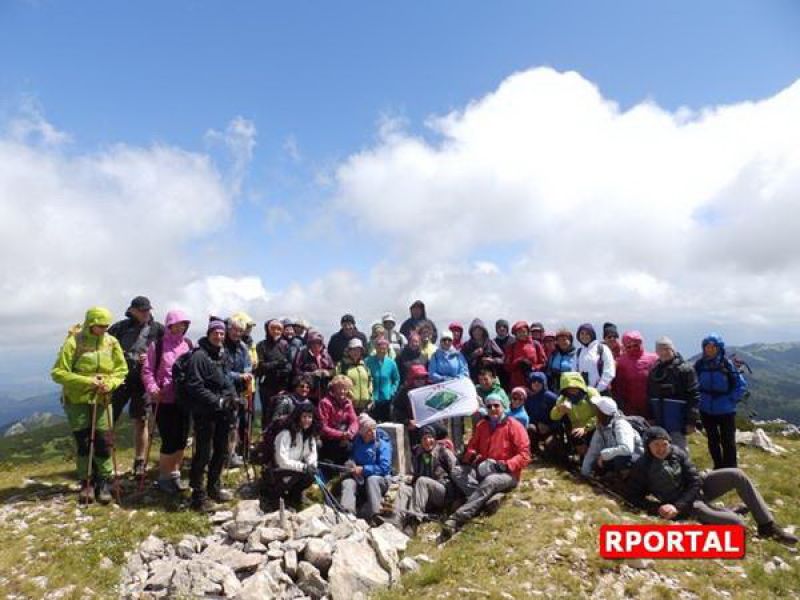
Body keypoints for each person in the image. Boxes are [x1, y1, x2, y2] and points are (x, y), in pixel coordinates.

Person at [627, 427, 797, 545]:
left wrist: (680, 502)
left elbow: (695, 479)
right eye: (656, 445)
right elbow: (633, 497)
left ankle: (767, 526)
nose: (661, 448)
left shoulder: (676, 453)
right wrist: (660, 508)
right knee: (736, 525)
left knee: (737, 475)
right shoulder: (642, 466)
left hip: (697, 491)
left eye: (665, 444)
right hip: (688, 506)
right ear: (647, 446)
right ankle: (730, 512)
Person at [51, 307, 129, 504]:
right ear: (90, 323)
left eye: (106, 326)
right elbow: (58, 373)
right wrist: (88, 382)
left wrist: (110, 384)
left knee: (104, 441)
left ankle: (103, 482)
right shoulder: (73, 342)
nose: (103, 329)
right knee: (84, 441)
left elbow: (121, 370)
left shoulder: (111, 342)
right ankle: (86, 482)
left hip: (102, 399)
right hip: (77, 400)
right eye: (99, 326)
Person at [439, 395, 531, 542]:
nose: (493, 409)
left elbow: (525, 455)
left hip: (508, 473)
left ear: (503, 406)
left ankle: (456, 519)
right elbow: (472, 446)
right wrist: (468, 456)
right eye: (489, 406)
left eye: (496, 405)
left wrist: (506, 465)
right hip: (483, 467)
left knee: (491, 480)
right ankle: (484, 501)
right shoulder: (482, 425)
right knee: (457, 471)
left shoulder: (514, 425)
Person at [184, 318, 239, 512]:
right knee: (203, 453)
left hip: (222, 412)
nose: (219, 336)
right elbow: (194, 385)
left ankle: (214, 487)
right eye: (215, 333)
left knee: (222, 450)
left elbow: (227, 379)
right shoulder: (199, 356)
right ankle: (198, 496)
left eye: (222, 333)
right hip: (205, 411)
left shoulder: (222, 355)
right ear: (209, 334)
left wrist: (232, 398)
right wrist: (217, 401)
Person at [108, 295, 165, 476]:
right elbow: (104, 348)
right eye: (142, 310)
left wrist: (151, 358)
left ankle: (139, 461)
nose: (146, 313)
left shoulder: (158, 330)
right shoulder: (119, 328)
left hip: (142, 382)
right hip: (120, 380)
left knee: (141, 420)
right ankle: (104, 460)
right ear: (132, 311)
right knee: (109, 420)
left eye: (148, 310)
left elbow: (166, 352)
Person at [140, 309, 193, 494]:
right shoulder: (158, 346)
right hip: (164, 399)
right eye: (176, 324)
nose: (180, 328)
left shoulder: (187, 345)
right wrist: (153, 390)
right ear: (169, 325)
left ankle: (175, 475)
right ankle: (164, 478)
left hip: (184, 398)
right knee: (169, 440)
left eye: (183, 324)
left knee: (182, 439)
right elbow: (147, 371)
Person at [386, 425, 462, 535]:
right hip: (424, 495)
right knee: (403, 489)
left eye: (430, 437)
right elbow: (416, 475)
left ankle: (414, 522)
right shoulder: (418, 454)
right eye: (424, 438)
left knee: (422, 481)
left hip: (444, 493)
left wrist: (458, 499)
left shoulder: (443, 452)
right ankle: (396, 520)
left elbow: (457, 472)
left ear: (434, 439)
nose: (427, 441)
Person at [694, 333, 747, 469]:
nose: (709, 349)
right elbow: (693, 384)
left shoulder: (727, 364)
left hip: (726, 410)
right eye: (707, 347)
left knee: (728, 440)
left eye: (713, 347)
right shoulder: (699, 365)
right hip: (706, 409)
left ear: (719, 348)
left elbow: (740, 385)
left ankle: (731, 468)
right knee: (712, 440)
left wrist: (731, 399)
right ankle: (718, 466)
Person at [647, 336, 700, 452]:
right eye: (661, 349)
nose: (664, 352)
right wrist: (650, 417)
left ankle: (684, 469)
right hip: (659, 419)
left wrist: (691, 421)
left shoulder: (685, 369)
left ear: (673, 349)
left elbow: (694, 395)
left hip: (678, 420)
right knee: (661, 450)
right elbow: (650, 395)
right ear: (656, 352)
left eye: (667, 348)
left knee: (679, 450)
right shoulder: (654, 370)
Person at [262, 401, 318, 510]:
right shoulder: (285, 434)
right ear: (298, 417)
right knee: (300, 474)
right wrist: (303, 467)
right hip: (278, 470)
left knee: (311, 475)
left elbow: (311, 454)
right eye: (304, 417)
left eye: (310, 417)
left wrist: (311, 465)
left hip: (294, 469)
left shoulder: (308, 435)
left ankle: (294, 497)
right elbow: (281, 461)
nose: (307, 420)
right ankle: (275, 498)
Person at [340, 413, 393, 523]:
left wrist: (364, 469)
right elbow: (353, 457)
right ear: (362, 432)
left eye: (374, 428)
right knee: (348, 482)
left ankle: (376, 515)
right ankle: (347, 514)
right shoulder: (358, 441)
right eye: (369, 430)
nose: (372, 432)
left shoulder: (382, 443)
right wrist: (351, 464)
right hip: (360, 478)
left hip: (381, 480)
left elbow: (384, 468)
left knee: (372, 479)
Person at [428, 329, 470, 451]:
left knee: (457, 421)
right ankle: (443, 449)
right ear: (440, 341)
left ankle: (458, 448)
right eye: (444, 340)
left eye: (449, 340)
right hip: (441, 392)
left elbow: (465, 371)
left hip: (456, 391)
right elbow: (432, 373)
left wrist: (455, 379)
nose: (446, 342)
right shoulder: (435, 355)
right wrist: (445, 379)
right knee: (443, 421)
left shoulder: (458, 355)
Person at [580, 396, 642, 478]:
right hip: (615, 458)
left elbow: (627, 449)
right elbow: (592, 451)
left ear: (604, 413)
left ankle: (627, 481)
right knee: (596, 464)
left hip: (636, 460)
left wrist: (604, 454)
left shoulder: (621, 425)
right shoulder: (601, 427)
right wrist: (584, 473)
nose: (596, 414)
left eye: (598, 411)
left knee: (620, 459)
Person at [223, 315, 254, 468]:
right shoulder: (221, 346)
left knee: (235, 424)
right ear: (228, 329)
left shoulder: (242, 346)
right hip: (222, 390)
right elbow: (221, 371)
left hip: (239, 390)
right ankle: (221, 454)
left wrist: (247, 373)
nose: (237, 333)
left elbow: (248, 364)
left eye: (240, 330)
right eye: (234, 329)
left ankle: (231, 454)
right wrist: (240, 375)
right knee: (225, 424)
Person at [550, 372, 599, 458]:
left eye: (574, 387)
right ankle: (584, 457)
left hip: (594, 427)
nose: (571, 390)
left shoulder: (591, 393)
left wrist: (586, 428)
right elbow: (553, 417)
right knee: (576, 436)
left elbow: (601, 414)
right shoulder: (563, 399)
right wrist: (559, 409)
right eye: (568, 388)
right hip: (576, 430)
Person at [316, 375, 359, 470]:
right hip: (328, 439)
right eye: (339, 388)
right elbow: (323, 427)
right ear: (333, 389)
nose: (342, 391)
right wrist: (342, 435)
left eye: (345, 389)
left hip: (344, 438)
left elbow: (354, 421)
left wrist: (350, 433)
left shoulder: (348, 403)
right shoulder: (325, 402)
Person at [254, 319, 292, 424]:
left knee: (280, 413)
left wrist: (282, 371)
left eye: (279, 329)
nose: (276, 331)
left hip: (281, 385)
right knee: (266, 413)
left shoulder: (285, 345)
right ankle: (266, 438)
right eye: (273, 328)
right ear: (267, 329)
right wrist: (278, 363)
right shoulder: (261, 345)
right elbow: (261, 366)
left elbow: (289, 365)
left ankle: (277, 439)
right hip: (266, 385)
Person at [613, 331, 657, 418]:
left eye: (635, 345)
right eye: (628, 346)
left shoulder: (654, 358)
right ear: (624, 347)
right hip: (629, 407)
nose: (633, 348)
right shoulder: (620, 362)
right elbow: (617, 386)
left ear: (640, 343)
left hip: (651, 405)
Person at [524, 371, 561, 459]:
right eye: (534, 381)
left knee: (551, 449)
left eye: (539, 381)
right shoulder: (528, 398)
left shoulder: (551, 397)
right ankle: (534, 450)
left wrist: (550, 427)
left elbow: (561, 417)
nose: (536, 383)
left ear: (544, 383)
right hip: (536, 429)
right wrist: (537, 423)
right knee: (530, 428)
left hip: (551, 430)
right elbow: (526, 415)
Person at [392, 364, 429, 447]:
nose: (420, 380)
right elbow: (396, 411)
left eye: (423, 377)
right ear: (411, 379)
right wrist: (407, 421)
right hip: (412, 429)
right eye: (417, 378)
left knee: (442, 431)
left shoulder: (429, 390)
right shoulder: (404, 392)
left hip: (427, 425)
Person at [293, 330, 335, 403]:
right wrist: (312, 374)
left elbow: (333, 371)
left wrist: (327, 373)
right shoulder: (303, 354)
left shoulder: (326, 356)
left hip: (324, 392)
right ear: (309, 344)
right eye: (313, 343)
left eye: (318, 343)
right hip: (308, 393)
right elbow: (297, 371)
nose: (316, 345)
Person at [365, 338, 400, 422]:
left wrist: (392, 391)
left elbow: (396, 379)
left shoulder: (391, 363)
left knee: (386, 425)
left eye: (384, 348)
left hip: (387, 399)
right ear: (375, 348)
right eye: (379, 348)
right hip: (372, 399)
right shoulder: (367, 361)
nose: (382, 350)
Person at [575, 323, 616, 395]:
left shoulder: (603, 349)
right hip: (583, 393)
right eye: (582, 333)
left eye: (587, 333)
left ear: (592, 334)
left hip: (601, 393)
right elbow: (574, 372)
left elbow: (609, 372)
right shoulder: (578, 352)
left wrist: (597, 390)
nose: (584, 336)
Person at [504, 321, 546, 389]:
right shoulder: (511, 347)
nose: (522, 334)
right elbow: (507, 367)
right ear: (515, 334)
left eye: (524, 331)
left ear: (528, 332)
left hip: (535, 381)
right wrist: (518, 361)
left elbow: (543, 363)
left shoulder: (536, 344)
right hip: (517, 382)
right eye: (519, 332)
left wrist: (533, 368)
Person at [461, 319, 505, 384]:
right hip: (473, 379)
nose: (477, 332)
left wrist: (493, 361)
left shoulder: (490, 343)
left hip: (490, 378)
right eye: (474, 330)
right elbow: (461, 362)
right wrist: (473, 355)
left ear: (483, 331)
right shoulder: (466, 345)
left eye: (479, 330)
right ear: (471, 332)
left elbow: (502, 358)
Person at [335, 338, 373, 413]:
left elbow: (370, 381)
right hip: (347, 407)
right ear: (348, 351)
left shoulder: (364, 365)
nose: (356, 352)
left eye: (358, 350)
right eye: (353, 349)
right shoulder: (342, 366)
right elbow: (338, 384)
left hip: (365, 407)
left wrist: (371, 397)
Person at [546, 327, 577, 392]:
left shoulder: (576, 355)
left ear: (570, 341)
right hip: (555, 388)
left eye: (564, 339)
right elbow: (549, 370)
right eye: (559, 340)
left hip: (570, 388)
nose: (562, 342)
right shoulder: (554, 354)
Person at [494, 319, 513, 390]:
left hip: (511, 374)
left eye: (504, 327)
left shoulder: (513, 341)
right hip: (497, 374)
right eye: (499, 327)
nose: (502, 329)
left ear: (507, 329)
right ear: (496, 329)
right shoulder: (493, 342)